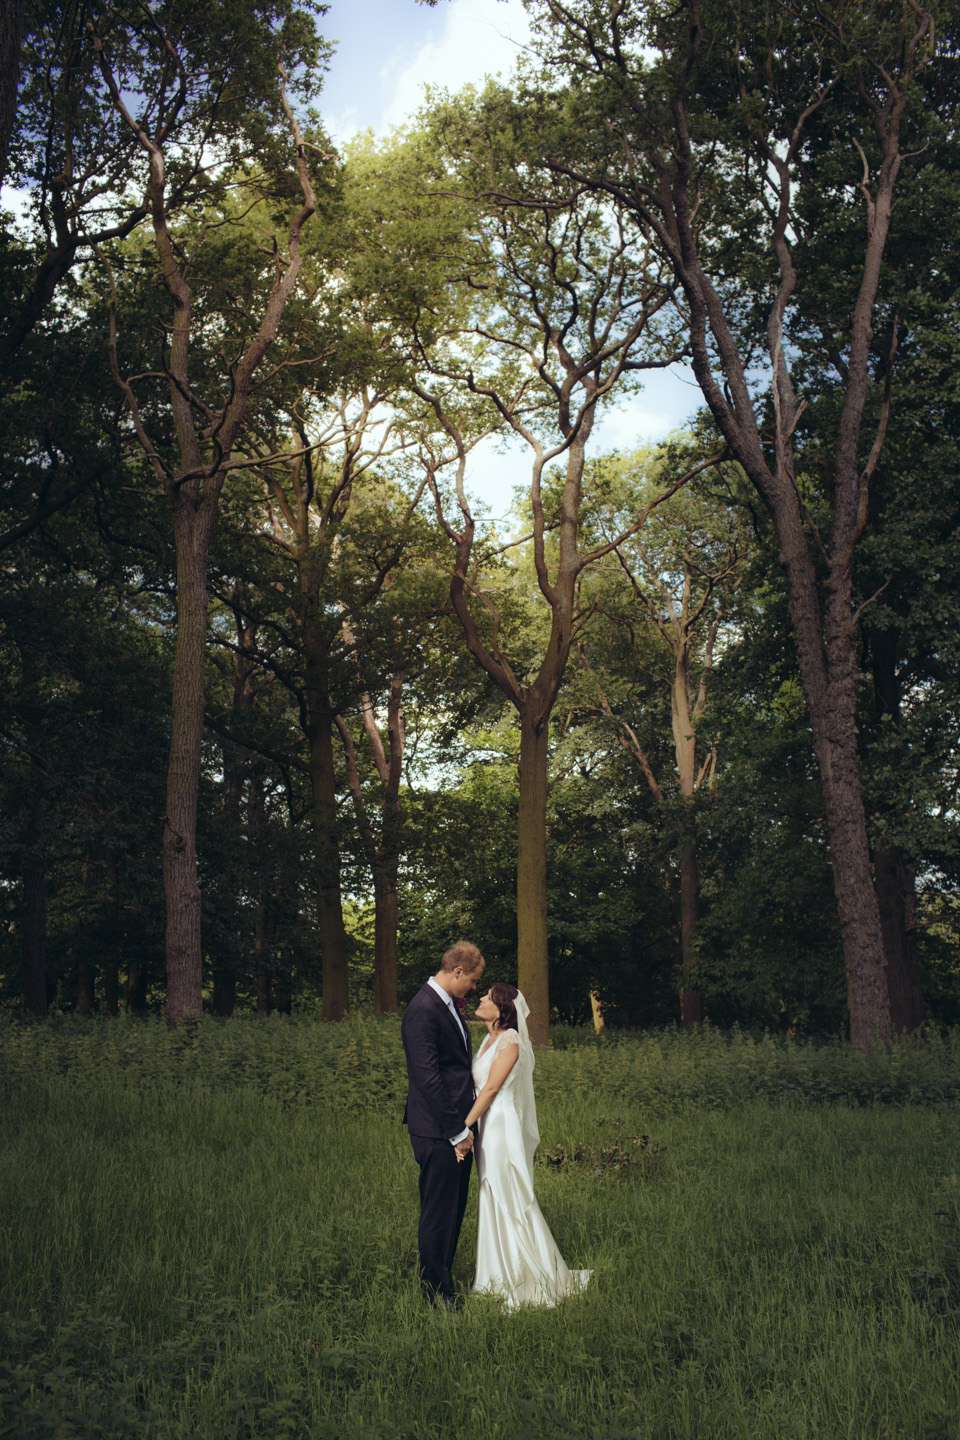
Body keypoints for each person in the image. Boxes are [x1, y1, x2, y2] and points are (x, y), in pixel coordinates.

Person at [465, 982, 591, 1309]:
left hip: (498, 1126)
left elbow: (491, 1089)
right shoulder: (489, 1038)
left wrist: (461, 1127)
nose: (480, 999)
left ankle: (522, 1276)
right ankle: (493, 1272)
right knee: (490, 1191)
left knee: (505, 1192)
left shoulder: (510, 1040)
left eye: (487, 997)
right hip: (485, 1122)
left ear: (502, 1008)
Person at [400, 940, 485, 1306]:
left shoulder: (447, 1005)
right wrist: (457, 1132)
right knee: (438, 1214)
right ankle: (436, 1296)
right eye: (474, 980)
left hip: (455, 1128)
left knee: (452, 1210)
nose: (475, 988)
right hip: (439, 1131)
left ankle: (444, 1281)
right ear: (458, 971)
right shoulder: (422, 1009)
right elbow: (428, 1079)